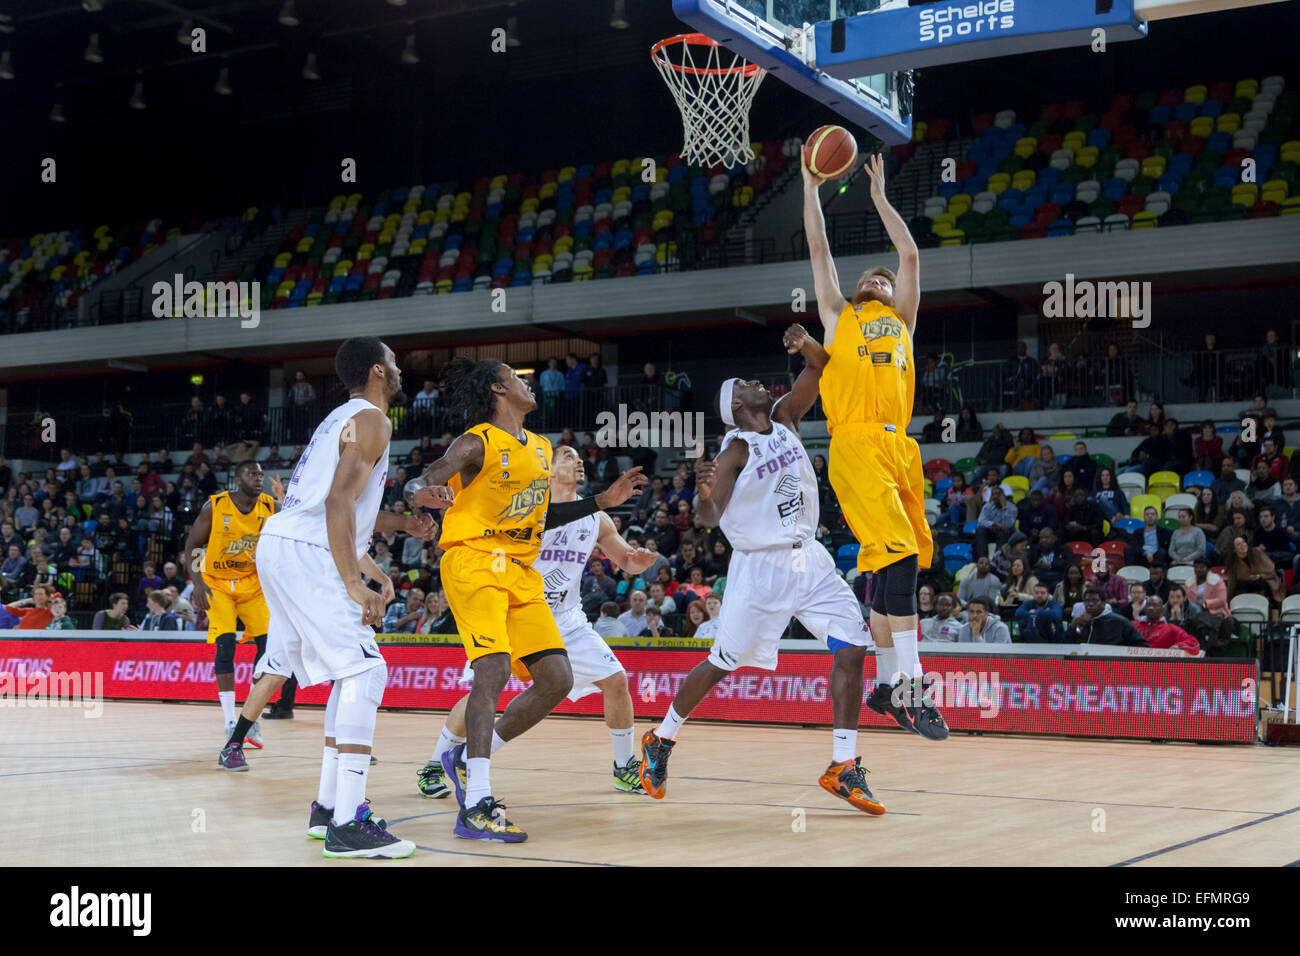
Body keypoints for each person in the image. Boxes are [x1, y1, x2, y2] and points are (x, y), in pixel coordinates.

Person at [639, 322, 890, 815]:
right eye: (748, 384)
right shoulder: (733, 449)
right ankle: (660, 739)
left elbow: (819, 367)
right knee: (722, 662)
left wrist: (806, 345)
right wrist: (703, 491)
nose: (760, 383)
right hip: (759, 569)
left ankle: (842, 765)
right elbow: (709, 519)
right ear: (735, 404)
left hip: (810, 558)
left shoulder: (784, 416)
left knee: (852, 645)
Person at [411, 354, 645, 843]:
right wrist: (421, 489)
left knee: (556, 678)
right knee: (492, 670)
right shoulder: (478, 440)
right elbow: (436, 469)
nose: (527, 385)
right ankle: (477, 801)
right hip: (474, 561)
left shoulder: (539, 447)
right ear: (498, 390)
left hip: (519, 571)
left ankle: (464, 757)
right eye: (517, 378)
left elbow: (541, 519)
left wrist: (602, 502)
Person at [248, 337, 439, 859]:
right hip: (305, 550)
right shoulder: (374, 420)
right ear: (379, 371)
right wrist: (354, 581)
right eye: (396, 363)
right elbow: (336, 501)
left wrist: (398, 530)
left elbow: (338, 504)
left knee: (345, 673)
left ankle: (330, 807)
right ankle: (348, 824)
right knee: (365, 671)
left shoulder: (340, 418)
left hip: (282, 545)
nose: (401, 370)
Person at [798, 149, 945, 743]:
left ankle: (888, 687)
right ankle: (909, 687)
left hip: (898, 447)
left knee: (893, 569)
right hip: (855, 442)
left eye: (882, 280)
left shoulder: (903, 321)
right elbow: (819, 251)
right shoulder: (839, 316)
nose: (876, 280)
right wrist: (811, 188)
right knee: (901, 555)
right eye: (870, 280)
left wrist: (880, 197)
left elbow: (909, 254)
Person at [418, 443, 656, 799]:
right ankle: (436, 764)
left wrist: (639, 561)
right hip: (519, 610)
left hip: (568, 619)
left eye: (579, 458)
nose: (577, 462)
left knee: (617, 681)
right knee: (486, 690)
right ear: (549, 470)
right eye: (568, 457)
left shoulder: (597, 518)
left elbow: (626, 561)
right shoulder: (527, 509)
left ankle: (623, 768)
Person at [186, 461, 281, 750]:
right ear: (237, 478)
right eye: (252, 474)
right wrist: (198, 583)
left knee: (268, 647)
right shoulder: (215, 506)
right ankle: (230, 721)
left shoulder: (270, 506)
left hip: (252, 585)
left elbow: (299, 524)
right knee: (226, 645)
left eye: (261, 475)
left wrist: (285, 498)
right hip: (217, 584)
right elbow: (192, 545)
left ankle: (249, 717)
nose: (258, 479)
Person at [1067, 587, 1147, 645]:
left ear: (1104, 603)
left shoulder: (1119, 622)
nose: (1090, 604)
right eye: (1087, 601)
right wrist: (1072, 627)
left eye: (1095, 600)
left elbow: (1141, 644)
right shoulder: (1080, 623)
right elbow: (1066, 645)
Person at [1224, 535, 1283, 604]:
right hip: (1246, 585)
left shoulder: (1257, 552)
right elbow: (1232, 582)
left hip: (1264, 580)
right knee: (1242, 584)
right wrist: (1227, 601)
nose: (1243, 545)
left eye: (1243, 542)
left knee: (1260, 584)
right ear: (1234, 549)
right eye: (1239, 544)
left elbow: (1271, 571)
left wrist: (1259, 576)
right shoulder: (1233, 562)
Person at [1134, 596, 1201, 653]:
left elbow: (1194, 643)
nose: (1151, 608)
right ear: (1144, 608)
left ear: (1162, 610)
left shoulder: (1170, 629)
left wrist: (1178, 647)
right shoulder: (1134, 625)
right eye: (1148, 605)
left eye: (1155, 605)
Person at [975, 484, 1017, 559]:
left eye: (998, 494)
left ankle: (997, 559)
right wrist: (995, 524)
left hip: (1006, 534)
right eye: (993, 494)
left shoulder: (1012, 508)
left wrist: (1004, 508)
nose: (995, 496)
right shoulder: (988, 506)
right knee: (980, 530)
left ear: (1003, 495)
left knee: (1003, 531)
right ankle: (983, 558)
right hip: (992, 531)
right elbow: (980, 522)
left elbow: (1008, 526)